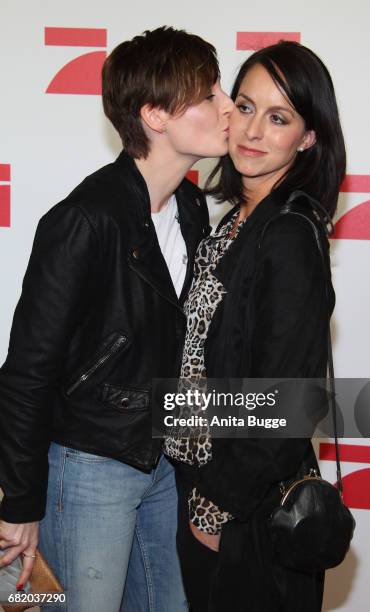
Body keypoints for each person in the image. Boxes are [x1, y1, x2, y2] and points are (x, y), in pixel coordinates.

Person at [0, 26, 233, 612]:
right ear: (155, 115)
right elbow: (28, 370)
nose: (227, 108)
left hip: (162, 461)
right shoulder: (84, 220)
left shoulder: (189, 205)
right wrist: (20, 504)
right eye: (208, 95)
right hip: (90, 465)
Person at [164, 41, 346, 611]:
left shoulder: (289, 234)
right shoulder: (231, 222)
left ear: (308, 137)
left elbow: (288, 401)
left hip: (246, 510)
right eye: (245, 107)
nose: (253, 131)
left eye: (279, 117)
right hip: (196, 485)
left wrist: (215, 508)